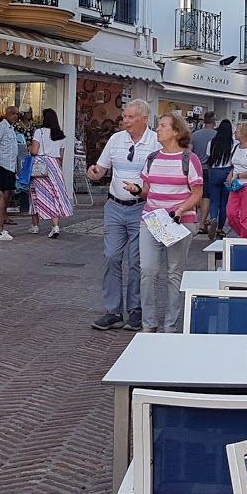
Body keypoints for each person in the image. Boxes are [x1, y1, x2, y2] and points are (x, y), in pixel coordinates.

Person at [88, 100, 161, 331]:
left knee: (137, 261)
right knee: (111, 256)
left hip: (143, 207)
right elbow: (102, 169)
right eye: (124, 116)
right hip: (115, 207)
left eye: (130, 117)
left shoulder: (156, 142)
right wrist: (95, 172)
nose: (125, 121)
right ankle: (113, 311)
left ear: (144, 119)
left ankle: (136, 309)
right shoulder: (116, 140)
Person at [136, 114, 204, 332]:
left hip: (179, 222)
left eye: (163, 126)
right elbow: (147, 191)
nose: (158, 129)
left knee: (174, 273)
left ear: (176, 132)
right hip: (153, 220)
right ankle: (149, 323)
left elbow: (197, 193)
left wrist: (182, 209)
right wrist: (137, 190)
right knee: (147, 270)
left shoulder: (189, 159)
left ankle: (170, 325)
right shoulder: (152, 158)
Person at [29, 107, 73, 238]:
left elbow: (34, 151)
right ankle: (55, 226)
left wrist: (29, 147)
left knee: (36, 194)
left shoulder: (39, 132)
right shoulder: (61, 135)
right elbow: (61, 157)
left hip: (40, 165)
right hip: (55, 166)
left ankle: (35, 226)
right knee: (55, 195)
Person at [202, 118, 235, 238]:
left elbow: (208, 157)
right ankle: (220, 228)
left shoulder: (212, 142)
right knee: (224, 202)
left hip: (214, 172)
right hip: (227, 172)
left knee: (214, 201)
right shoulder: (233, 143)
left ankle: (213, 218)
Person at [0, 106, 23, 231]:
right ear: (7, 114)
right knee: (4, 191)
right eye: (13, 114)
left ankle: (4, 215)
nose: (15, 116)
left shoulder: (11, 128)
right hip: (3, 164)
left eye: (17, 114)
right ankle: (1, 215)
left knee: (8, 191)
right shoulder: (2, 126)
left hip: (10, 164)